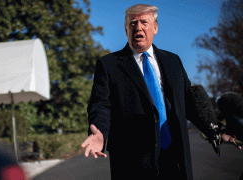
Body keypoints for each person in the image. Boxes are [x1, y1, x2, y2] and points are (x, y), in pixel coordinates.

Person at [81, 4, 241, 179]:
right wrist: (100, 133)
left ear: (155, 28)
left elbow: (188, 102)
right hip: (133, 162)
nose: (138, 27)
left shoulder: (173, 61)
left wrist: (215, 130)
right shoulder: (109, 64)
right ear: (126, 29)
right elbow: (101, 104)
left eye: (144, 22)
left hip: (175, 158)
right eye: (133, 23)